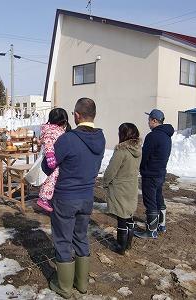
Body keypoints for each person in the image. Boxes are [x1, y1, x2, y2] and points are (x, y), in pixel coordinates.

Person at [42, 98, 105, 299]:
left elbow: (48, 167)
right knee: (80, 236)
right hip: (87, 196)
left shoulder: (68, 139)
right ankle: (82, 283)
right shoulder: (101, 138)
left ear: (76, 115)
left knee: (62, 239)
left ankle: (65, 287)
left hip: (66, 197)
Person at [134, 109, 174, 239]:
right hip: (160, 172)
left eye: (149, 120)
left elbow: (145, 155)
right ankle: (161, 225)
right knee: (158, 198)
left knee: (150, 201)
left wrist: (140, 167)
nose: (148, 122)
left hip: (150, 174)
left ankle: (151, 231)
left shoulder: (153, 136)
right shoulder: (167, 136)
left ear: (154, 121)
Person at [103, 123, 142, 255]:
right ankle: (128, 244)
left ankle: (121, 246)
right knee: (129, 216)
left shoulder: (122, 151)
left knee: (121, 218)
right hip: (131, 186)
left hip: (120, 188)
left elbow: (111, 170)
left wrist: (105, 182)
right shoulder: (138, 149)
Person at [37, 108, 71, 212]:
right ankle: (43, 198)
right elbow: (48, 143)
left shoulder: (56, 129)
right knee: (52, 178)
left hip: (58, 158)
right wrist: (50, 156)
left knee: (55, 179)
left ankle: (49, 198)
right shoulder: (51, 130)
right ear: (63, 121)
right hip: (53, 159)